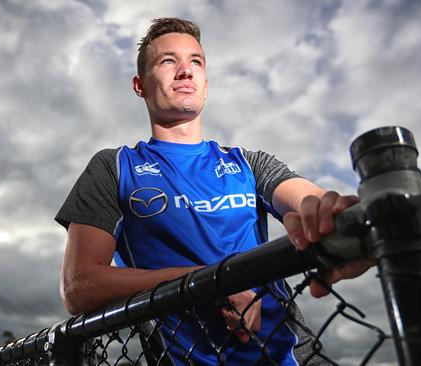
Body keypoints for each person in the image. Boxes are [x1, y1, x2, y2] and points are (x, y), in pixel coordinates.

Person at [56, 17, 372, 365]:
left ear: (206, 83)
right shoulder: (114, 167)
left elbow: (308, 198)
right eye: (167, 61)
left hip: (290, 358)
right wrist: (207, 285)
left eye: (196, 62)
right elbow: (79, 286)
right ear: (139, 85)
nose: (185, 71)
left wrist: (339, 222)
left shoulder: (249, 164)